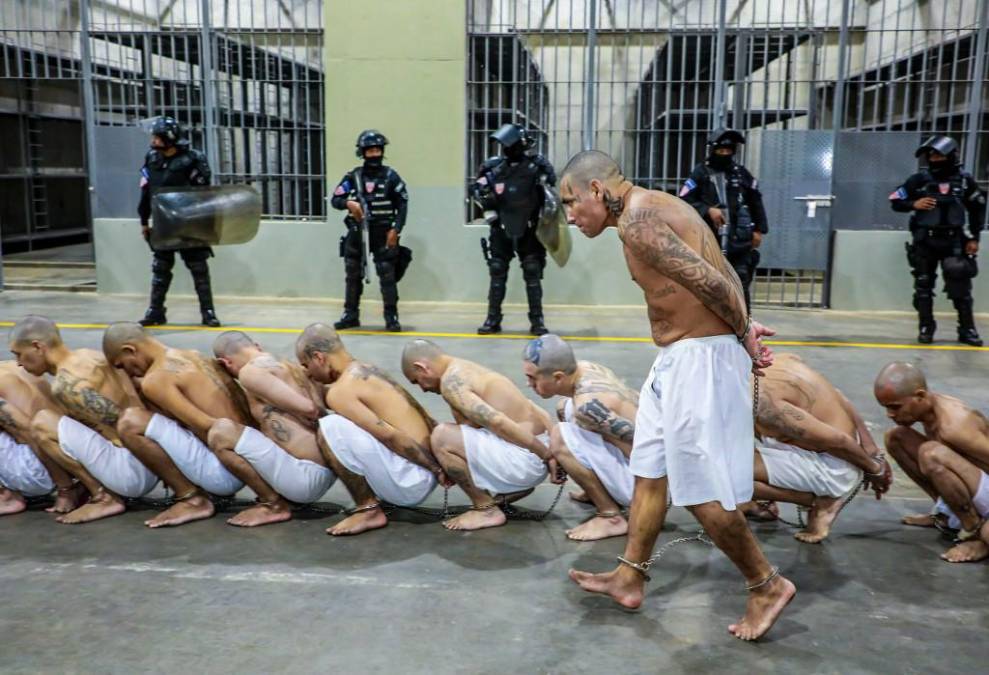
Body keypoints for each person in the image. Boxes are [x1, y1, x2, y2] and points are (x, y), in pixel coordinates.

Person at [559, 150, 792, 642]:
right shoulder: (656, 206)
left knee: (700, 489)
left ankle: (766, 584)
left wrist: (743, 334)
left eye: (570, 202)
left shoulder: (638, 221)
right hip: (680, 357)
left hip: (698, 361)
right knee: (649, 471)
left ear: (596, 190)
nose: (570, 216)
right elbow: (722, 269)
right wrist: (742, 326)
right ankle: (630, 576)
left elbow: (710, 280)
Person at [295, 323, 447, 535]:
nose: (308, 373)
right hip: (421, 472)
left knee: (330, 426)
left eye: (306, 365)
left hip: (412, 481)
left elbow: (389, 435)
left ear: (319, 358)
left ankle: (367, 509)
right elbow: (419, 412)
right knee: (347, 423)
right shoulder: (366, 370)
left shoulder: (340, 392)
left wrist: (436, 469)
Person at [10, 316, 159, 524]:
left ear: (38, 347)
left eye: (19, 354)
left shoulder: (67, 385)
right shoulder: (91, 356)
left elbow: (120, 427)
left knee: (42, 423)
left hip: (131, 472)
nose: (18, 363)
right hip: (153, 463)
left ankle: (103, 497)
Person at [101, 323, 252, 528]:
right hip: (248, 459)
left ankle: (191, 499)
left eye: (121, 365)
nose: (126, 372)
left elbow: (207, 426)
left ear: (130, 350)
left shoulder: (156, 378)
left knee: (131, 422)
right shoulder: (193, 355)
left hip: (225, 472)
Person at [402, 339, 554, 531]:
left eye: (417, 381)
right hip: (535, 452)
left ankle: (485, 509)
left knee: (441, 436)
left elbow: (497, 421)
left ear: (422, 367)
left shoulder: (451, 383)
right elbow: (530, 406)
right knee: (457, 434)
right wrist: (551, 450)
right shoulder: (466, 368)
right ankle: (512, 488)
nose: (422, 389)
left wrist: (547, 455)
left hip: (527, 460)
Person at [745, 353, 892, 543]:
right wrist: (870, 447)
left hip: (835, 466)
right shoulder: (777, 360)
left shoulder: (763, 402)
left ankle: (822, 503)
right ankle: (759, 503)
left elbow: (837, 441)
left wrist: (874, 468)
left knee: (724, 472)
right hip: (827, 445)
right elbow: (838, 395)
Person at [208, 331, 335, 527]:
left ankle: (273, 505)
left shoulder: (250, 372)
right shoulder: (290, 365)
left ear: (225, 363)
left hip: (303, 477)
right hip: (327, 470)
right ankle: (282, 498)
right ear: (257, 346)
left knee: (221, 432)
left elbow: (310, 409)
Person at [521, 334, 637, 541]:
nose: (528, 384)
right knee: (564, 408)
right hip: (650, 469)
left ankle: (610, 516)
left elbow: (646, 448)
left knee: (560, 435)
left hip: (650, 484)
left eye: (533, 378)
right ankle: (597, 492)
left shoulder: (587, 406)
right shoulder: (585, 369)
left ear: (558, 377)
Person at [875, 361, 989, 563]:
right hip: (975, 483)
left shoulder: (955, 426)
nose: (890, 414)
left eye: (895, 407)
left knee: (931, 454)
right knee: (896, 438)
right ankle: (947, 514)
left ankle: (973, 531)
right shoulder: (931, 410)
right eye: (886, 408)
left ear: (920, 396)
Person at [890, 135, 986, 345]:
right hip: (925, 241)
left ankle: (967, 330)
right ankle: (926, 327)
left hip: (955, 242)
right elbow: (895, 199)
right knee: (923, 287)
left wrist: (975, 237)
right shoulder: (919, 180)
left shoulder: (964, 181)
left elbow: (978, 209)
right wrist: (913, 204)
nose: (934, 158)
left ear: (951, 155)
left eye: (938, 154)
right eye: (931, 155)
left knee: (961, 288)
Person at [471, 123, 556, 335]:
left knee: (532, 272)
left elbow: (551, 187)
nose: (507, 148)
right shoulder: (495, 168)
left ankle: (537, 321)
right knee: (497, 271)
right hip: (501, 228)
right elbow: (477, 188)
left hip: (530, 229)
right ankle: (493, 319)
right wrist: (486, 202)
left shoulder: (535, 167)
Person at [137, 116, 221, 328]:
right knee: (160, 269)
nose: (153, 140)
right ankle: (155, 311)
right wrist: (144, 220)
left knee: (199, 269)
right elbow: (146, 192)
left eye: (158, 137)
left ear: (169, 138)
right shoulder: (151, 159)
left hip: (190, 223)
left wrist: (205, 226)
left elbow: (203, 194)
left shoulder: (193, 159)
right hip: (163, 222)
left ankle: (208, 312)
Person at [330, 130, 410, 332]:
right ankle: (350, 315)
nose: (374, 154)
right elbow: (335, 200)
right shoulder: (353, 177)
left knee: (387, 274)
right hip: (357, 233)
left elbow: (402, 204)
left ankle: (391, 317)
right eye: (370, 151)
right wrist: (349, 203)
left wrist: (396, 230)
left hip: (383, 233)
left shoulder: (391, 176)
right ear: (362, 153)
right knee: (352, 273)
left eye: (377, 150)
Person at [680, 128, 768, 310]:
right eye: (721, 150)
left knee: (740, 284)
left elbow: (756, 201)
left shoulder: (741, 174)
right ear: (713, 150)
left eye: (729, 151)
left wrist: (759, 230)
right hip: (708, 241)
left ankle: (743, 324)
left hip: (738, 243)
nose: (725, 154)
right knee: (709, 286)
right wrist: (707, 210)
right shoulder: (701, 173)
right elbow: (684, 199)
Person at [0, 360, 82, 516]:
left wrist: (65, 488)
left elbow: (27, 430)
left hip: (36, 471)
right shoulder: (19, 364)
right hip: (68, 455)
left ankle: (6, 496)